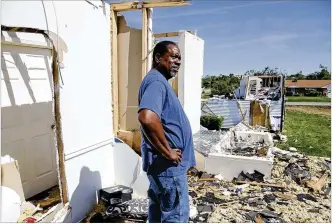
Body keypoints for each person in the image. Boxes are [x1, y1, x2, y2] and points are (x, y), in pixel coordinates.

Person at [137, 40, 196, 223]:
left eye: (180, 58)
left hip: (162, 169)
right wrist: (167, 151)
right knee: (175, 217)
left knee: (158, 214)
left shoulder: (157, 81)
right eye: (174, 56)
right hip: (168, 168)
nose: (178, 61)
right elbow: (147, 118)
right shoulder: (157, 82)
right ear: (158, 58)